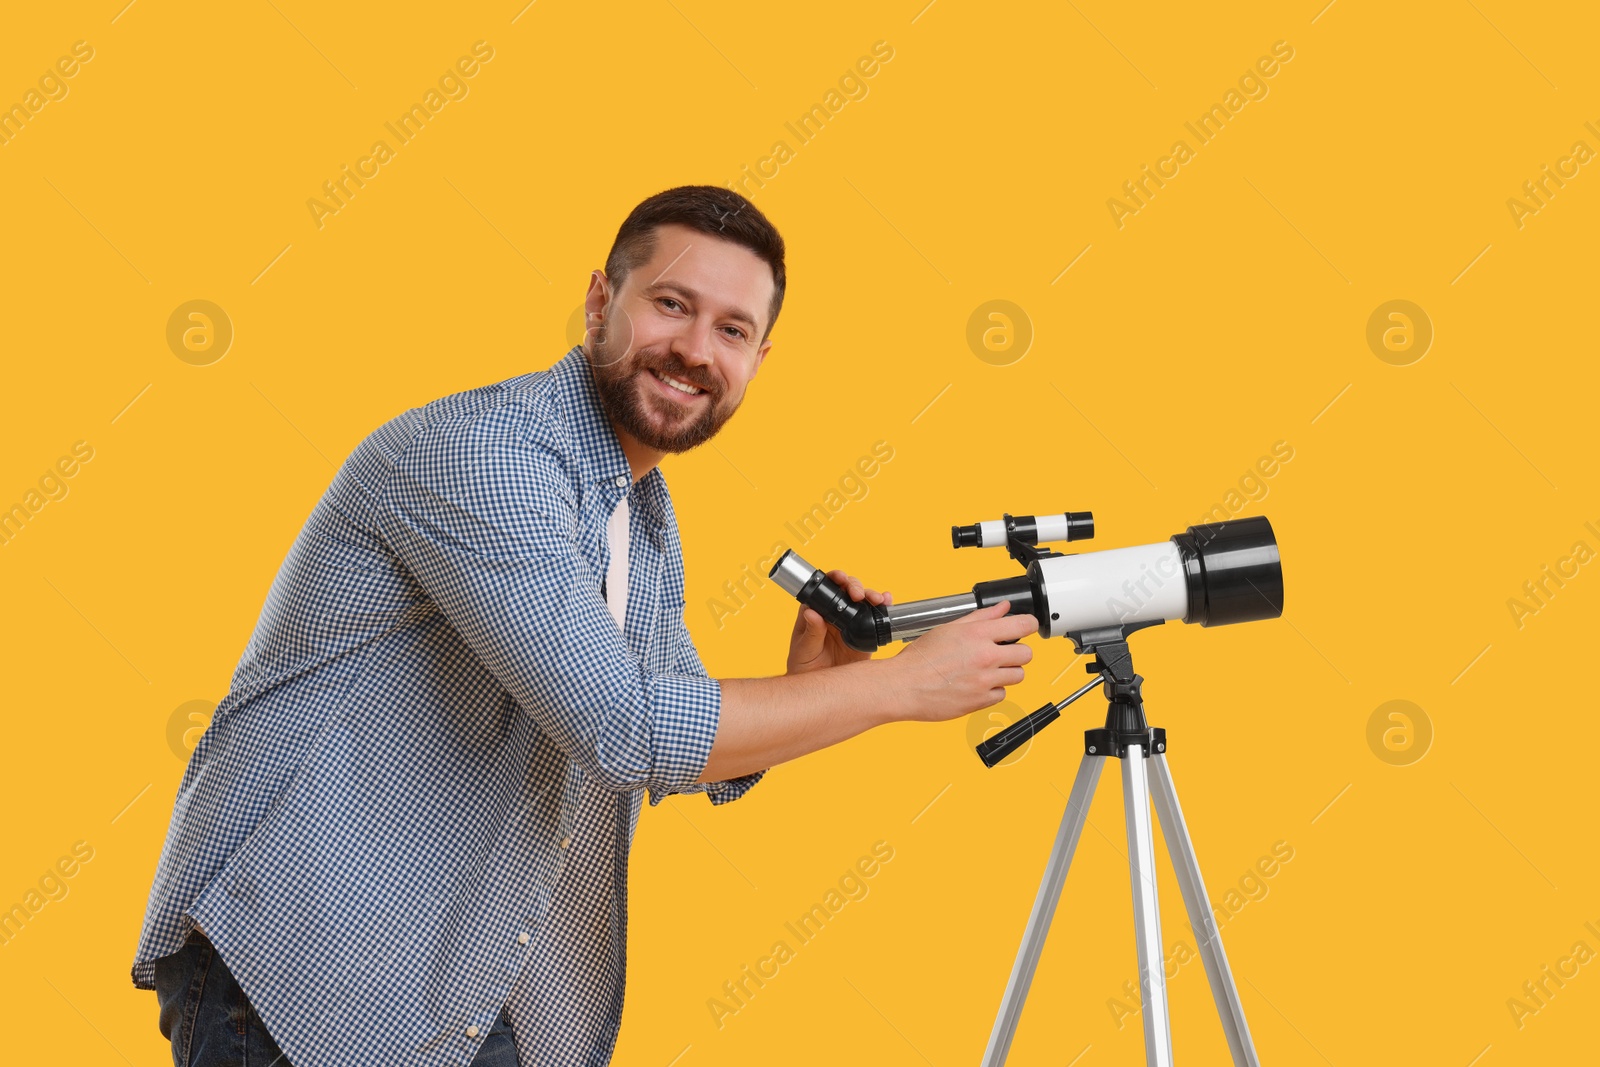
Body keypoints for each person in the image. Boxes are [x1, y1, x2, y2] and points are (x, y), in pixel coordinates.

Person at [131, 184, 1037, 1067]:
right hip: (311, 979)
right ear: (601, 300)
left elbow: (679, 741)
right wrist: (899, 686)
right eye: (672, 304)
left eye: (732, 329)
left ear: (761, 360)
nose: (694, 350)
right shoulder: (488, 456)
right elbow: (629, 731)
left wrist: (814, 687)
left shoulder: (635, 506)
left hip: (474, 994)